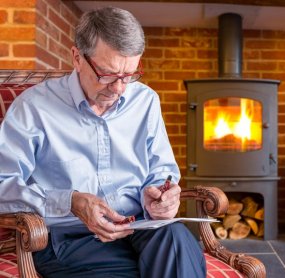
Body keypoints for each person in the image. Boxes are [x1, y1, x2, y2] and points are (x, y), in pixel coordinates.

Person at [0, 6, 206, 278]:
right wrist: (70, 201)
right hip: (69, 239)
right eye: (107, 74)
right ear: (77, 57)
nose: (120, 88)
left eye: (129, 75)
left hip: (141, 227)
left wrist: (159, 194)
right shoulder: (33, 107)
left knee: (178, 240)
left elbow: (161, 170)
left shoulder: (145, 101)